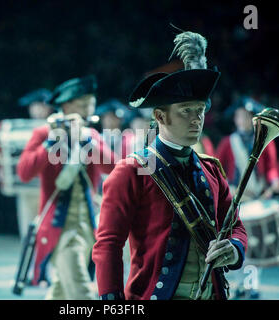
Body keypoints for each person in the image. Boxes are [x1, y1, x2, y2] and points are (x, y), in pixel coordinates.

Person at [92, 31, 247, 300]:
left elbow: (235, 226)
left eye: (200, 110)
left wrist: (234, 248)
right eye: (186, 110)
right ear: (160, 116)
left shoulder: (211, 170)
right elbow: (108, 245)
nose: (196, 119)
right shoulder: (131, 171)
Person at [17, 75, 115, 299]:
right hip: (58, 226)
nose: (89, 109)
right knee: (81, 290)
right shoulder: (44, 133)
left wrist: (85, 141)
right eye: (83, 104)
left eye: (90, 103)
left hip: (87, 224)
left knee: (61, 291)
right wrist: (52, 141)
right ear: (67, 106)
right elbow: (24, 172)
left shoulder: (91, 134)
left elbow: (112, 167)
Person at [216, 96, 279, 299]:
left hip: (258, 198)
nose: (243, 119)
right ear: (235, 119)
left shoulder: (263, 140)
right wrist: (228, 189)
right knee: (237, 244)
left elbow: (271, 168)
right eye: (240, 116)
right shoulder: (228, 142)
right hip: (237, 199)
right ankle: (237, 284)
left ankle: (252, 284)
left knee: (254, 248)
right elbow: (218, 169)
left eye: (247, 116)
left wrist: (274, 182)